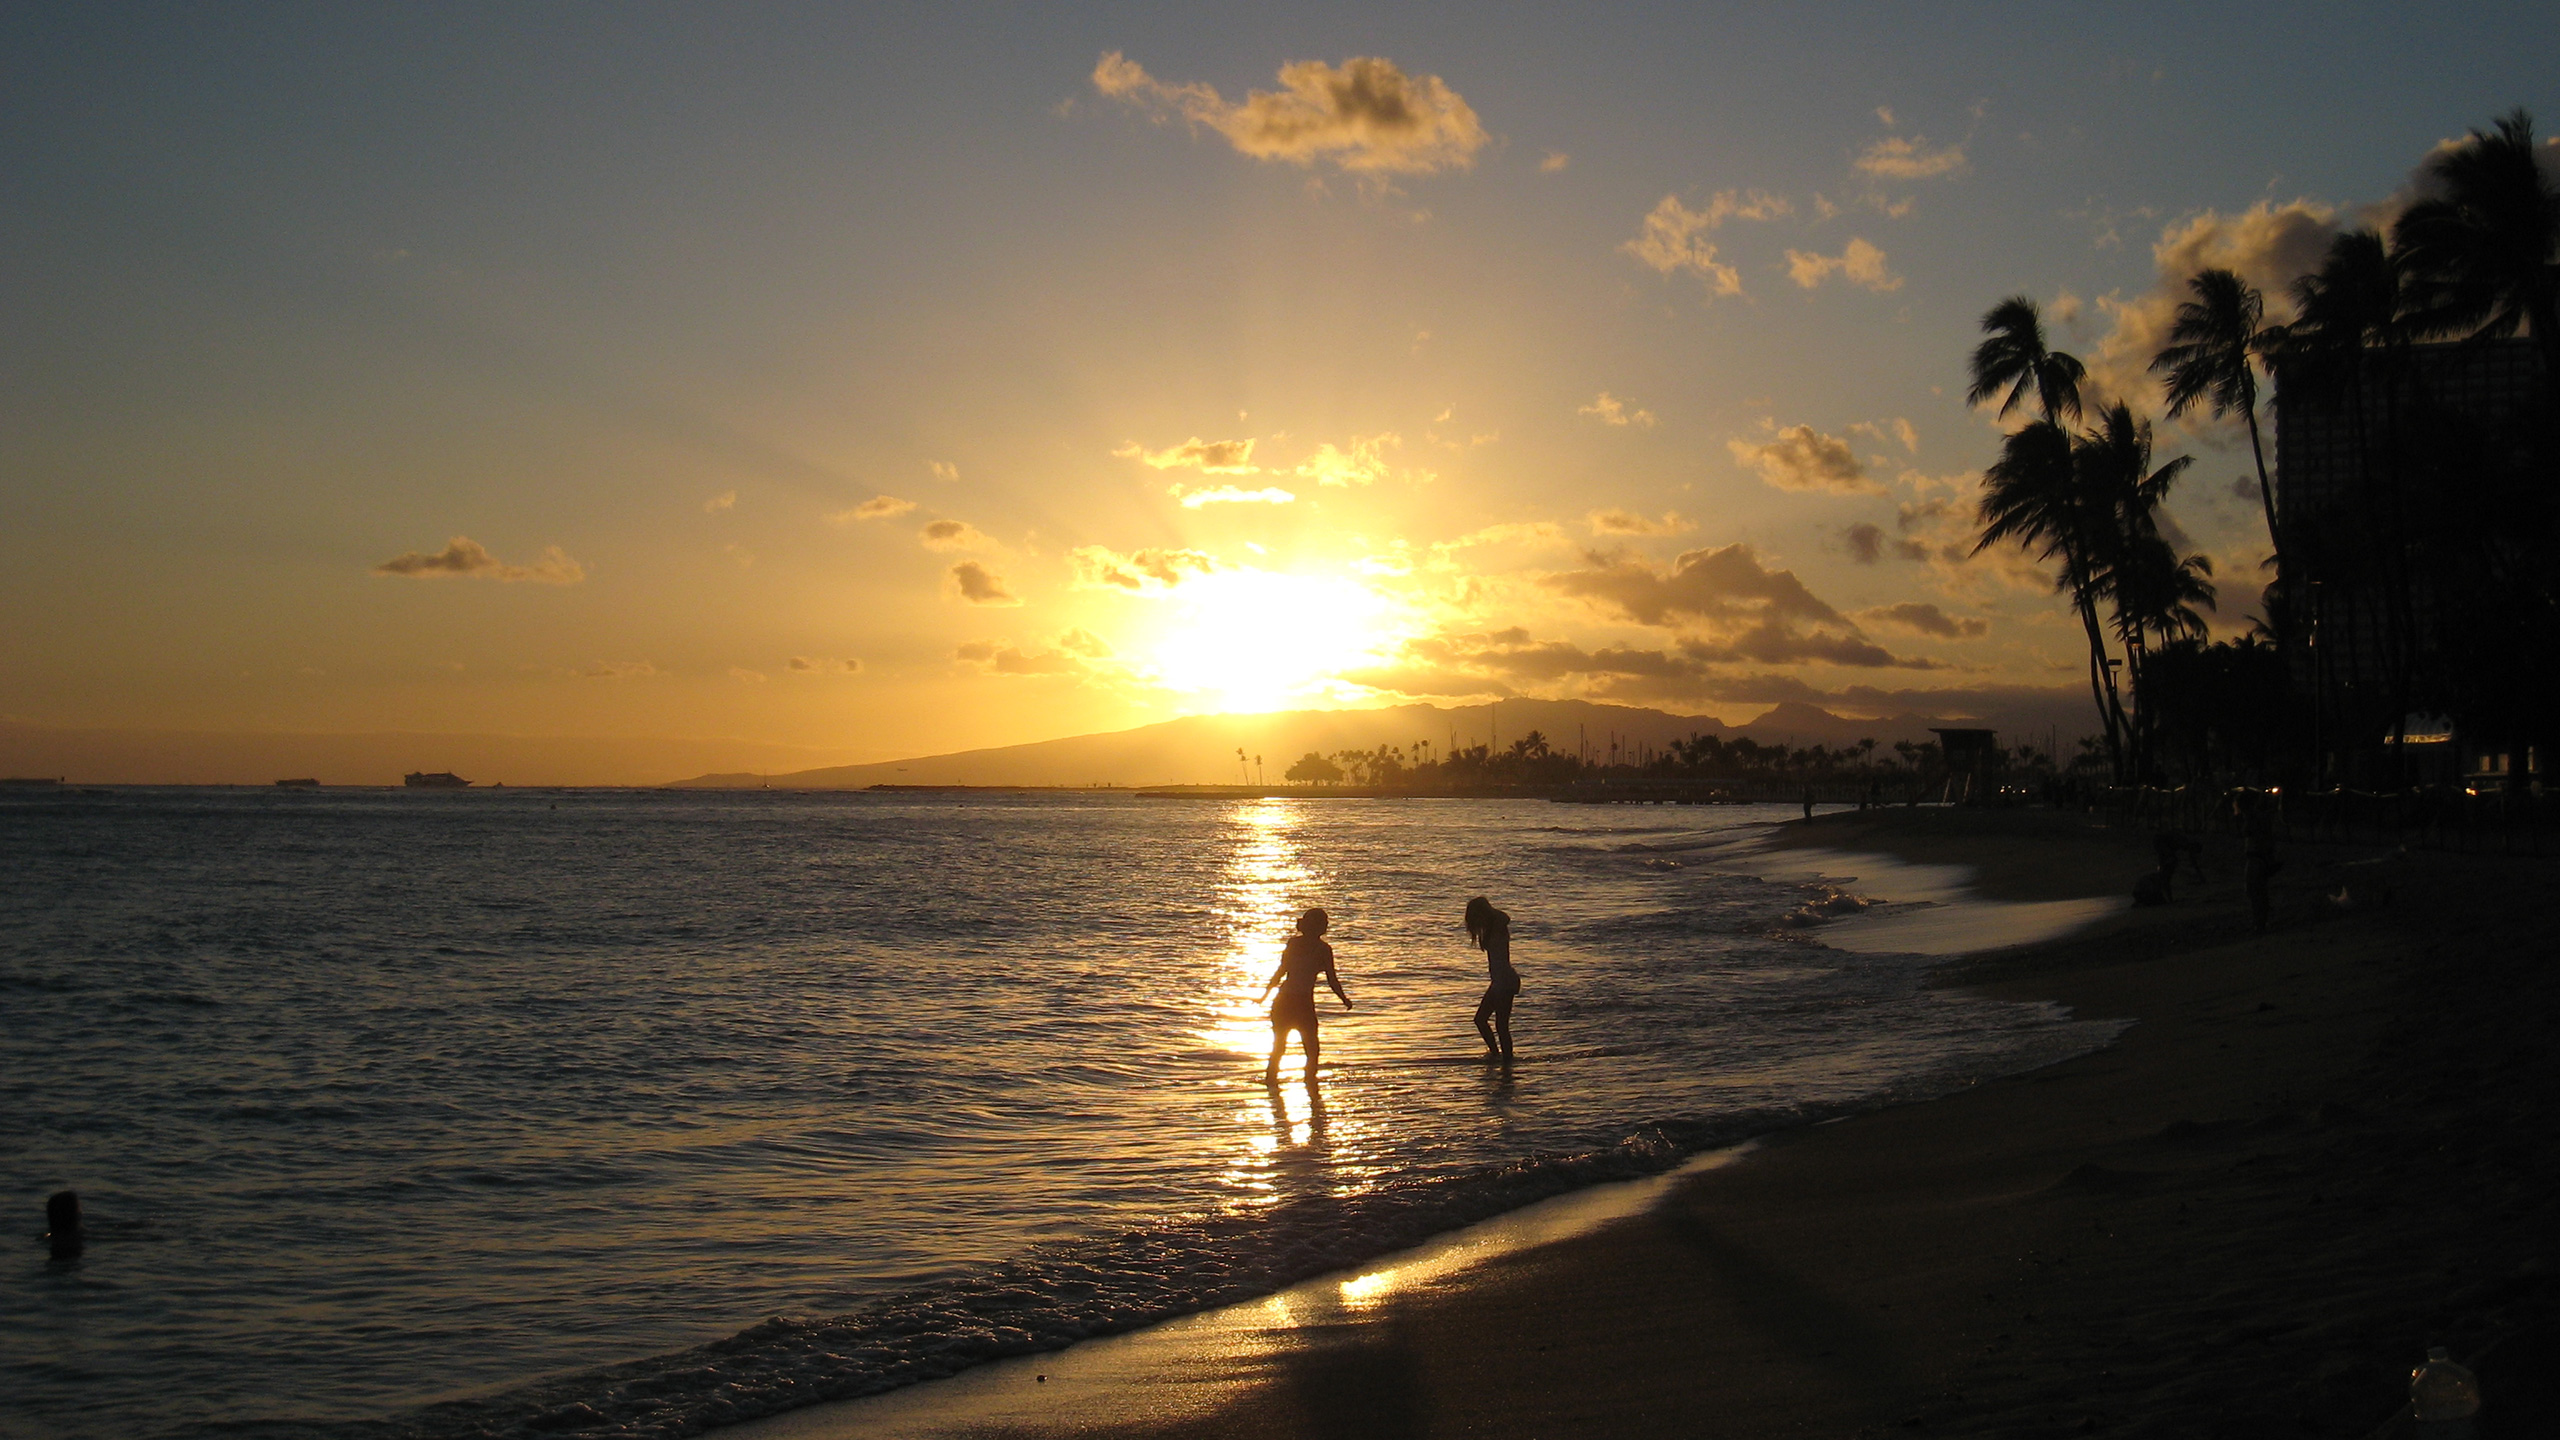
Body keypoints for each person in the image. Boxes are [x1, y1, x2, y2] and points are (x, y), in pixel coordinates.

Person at [1262, 908, 1350, 1086]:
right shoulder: (1323, 949)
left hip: (1284, 1001)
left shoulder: (1293, 944)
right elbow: (1332, 979)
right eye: (1324, 922)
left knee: (1280, 1047)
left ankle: (1273, 1083)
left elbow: (1281, 972)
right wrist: (1344, 999)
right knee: (1311, 1049)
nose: (1327, 925)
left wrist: (1265, 995)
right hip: (1299, 1003)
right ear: (1316, 926)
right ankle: (1309, 1083)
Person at [1463, 896, 1521, 1059]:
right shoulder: (1490, 929)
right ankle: (1496, 1055)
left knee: (1501, 1025)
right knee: (1480, 1020)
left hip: (1505, 981)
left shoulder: (1498, 925)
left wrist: (1488, 909)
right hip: (1498, 981)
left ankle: (1507, 1060)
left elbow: (1505, 917)